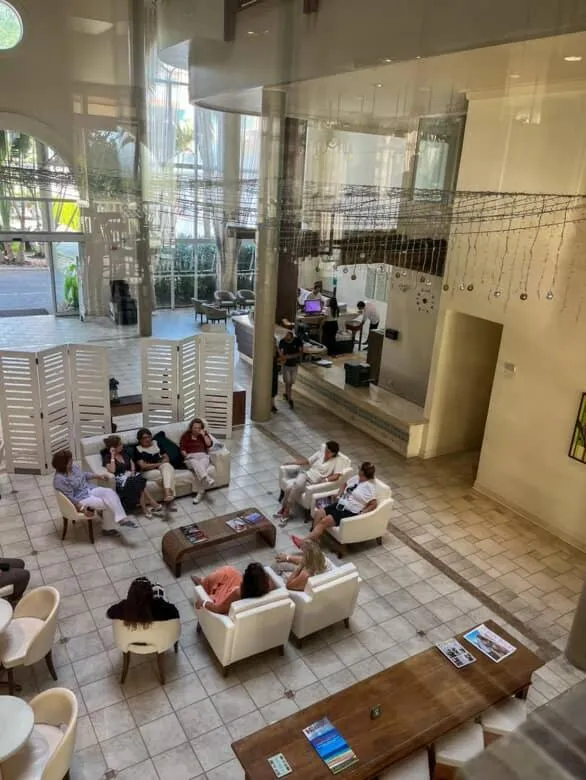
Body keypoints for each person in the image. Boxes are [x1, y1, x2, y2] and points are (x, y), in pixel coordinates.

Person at [292, 462, 378, 548]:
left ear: (363, 472)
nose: (358, 469)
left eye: (360, 468)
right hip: (342, 503)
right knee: (319, 513)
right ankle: (314, 540)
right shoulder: (356, 478)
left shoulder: (369, 487)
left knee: (324, 522)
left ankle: (303, 543)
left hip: (350, 511)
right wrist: (339, 493)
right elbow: (344, 484)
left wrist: (362, 512)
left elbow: (373, 504)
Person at [52, 449, 137, 534]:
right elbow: (69, 498)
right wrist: (82, 509)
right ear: (63, 464)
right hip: (81, 498)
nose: (72, 461)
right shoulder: (60, 479)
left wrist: (98, 476)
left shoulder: (73, 467)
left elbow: (84, 475)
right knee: (107, 503)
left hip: (89, 489)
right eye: (70, 460)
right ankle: (108, 529)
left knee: (109, 492)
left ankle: (121, 519)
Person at [276, 440, 343, 527]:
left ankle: (283, 509)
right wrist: (292, 462)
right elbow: (307, 461)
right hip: (305, 475)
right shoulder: (320, 453)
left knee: (289, 488)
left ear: (333, 453)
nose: (326, 453)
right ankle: (286, 513)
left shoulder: (337, 461)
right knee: (297, 485)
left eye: (328, 452)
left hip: (313, 482)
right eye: (326, 450)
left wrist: (325, 479)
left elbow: (336, 476)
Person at [101, 435, 163, 519]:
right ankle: (151, 505)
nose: (122, 445)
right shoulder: (107, 457)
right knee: (139, 482)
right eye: (120, 444)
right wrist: (112, 456)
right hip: (121, 481)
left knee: (137, 480)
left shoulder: (124, 453)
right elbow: (112, 470)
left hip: (131, 476)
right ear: (114, 447)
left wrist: (132, 472)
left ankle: (146, 508)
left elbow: (132, 463)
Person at [192, 562, 272, 615]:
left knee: (226, 572)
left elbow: (219, 609)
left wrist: (204, 603)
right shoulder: (267, 587)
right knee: (230, 571)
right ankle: (205, 582)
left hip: (226, 604)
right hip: (247, 594)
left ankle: (203, 584)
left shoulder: (238, 593)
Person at [106, 576, 179, 628]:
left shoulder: (123, 607)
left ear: (130, 593)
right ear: (151, 593)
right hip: (156, 640)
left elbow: (109, 614)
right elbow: (175, 617)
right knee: (159, 588)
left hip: (133, 641)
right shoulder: (163, 607)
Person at [134, 428, 178, 508]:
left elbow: (167, 458)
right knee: (167, 475)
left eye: (148, 437)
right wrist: (159, 463)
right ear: (140, 440)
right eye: (144, 438)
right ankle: (170, 499)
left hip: (160, 467)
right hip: (147, 472)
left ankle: (167, 495)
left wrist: (153, 464)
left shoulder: (156, 443)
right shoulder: (137, 449)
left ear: (151, 437)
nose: (147, 439)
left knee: (167, 466)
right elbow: (143, 466)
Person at [180, 418, 216, 504]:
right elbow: (182, 449)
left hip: (203, 456)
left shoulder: (204, 434)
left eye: (199, 428)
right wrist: (187, 456)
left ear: (202, 428)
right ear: (191, 427)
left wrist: (204, 435)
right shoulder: (186, 436)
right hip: (191, 457)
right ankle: (207, 478)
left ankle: (200, 492)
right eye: (195, 428)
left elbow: (209, 445)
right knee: (194, 462)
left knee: (199, 470)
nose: (196, 430)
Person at [278, 328, 303, 409]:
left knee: (291, 382)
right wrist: (282, 358)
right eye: (286, 337)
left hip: (294, 365)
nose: (287, 339)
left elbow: (300, 352)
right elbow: (281, 353)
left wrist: (290, 356)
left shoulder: (297, 341)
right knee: (288, 382)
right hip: (286, 366)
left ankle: (287, 394)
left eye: (289, 338)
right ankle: (290, 399)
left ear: (292, 338)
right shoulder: (282, 342)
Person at [271, 337, 280, 413]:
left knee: (274, 387)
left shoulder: (276, 351)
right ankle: (271, 405)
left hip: (274, 371)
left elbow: (281, 357)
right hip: (269, 371)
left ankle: (272, 405)